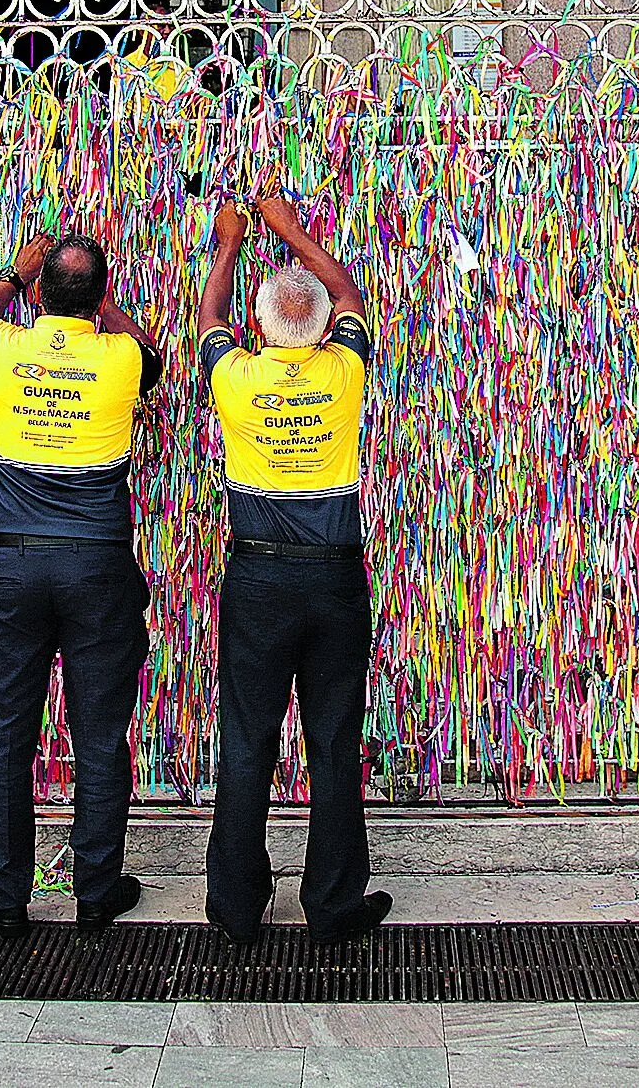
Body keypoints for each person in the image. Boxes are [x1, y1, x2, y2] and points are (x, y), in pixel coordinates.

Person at [0, 230, 163, 935]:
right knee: (100, 732)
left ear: (38, 293)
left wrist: (14, 275)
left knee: (7, 729)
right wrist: (104, 303)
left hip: (13, 564)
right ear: (98, 296)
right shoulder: (121, 355)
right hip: (96, 566)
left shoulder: (0, 347)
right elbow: (153, 353)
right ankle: (97, 890)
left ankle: (6, 894)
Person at [198, 193, 393, 947]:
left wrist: (230, 243)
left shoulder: (235, 374)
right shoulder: (345, 368)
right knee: (334, 739)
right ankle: (334, 901)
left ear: (263, 326)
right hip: (334, 576)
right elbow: (346, 288)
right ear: (319, 326)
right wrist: (286, 227)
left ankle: (237, 907)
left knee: (247, 738)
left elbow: (209, 315)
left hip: (258, 577)